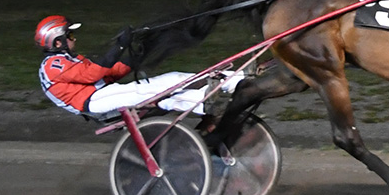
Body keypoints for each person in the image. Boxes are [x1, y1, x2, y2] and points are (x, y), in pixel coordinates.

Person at [35, 15, 240, 117]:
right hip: (92, 102)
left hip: (103, 93)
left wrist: (140, 50)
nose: (74, 39)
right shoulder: (52, 65)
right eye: (69, 35)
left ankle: (235, 80)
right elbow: (93, 74)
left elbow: (110, 72)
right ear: (57, 42)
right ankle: (210, 101)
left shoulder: (69, 60)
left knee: (173, 79)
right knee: (152, 91)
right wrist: (121, 44)